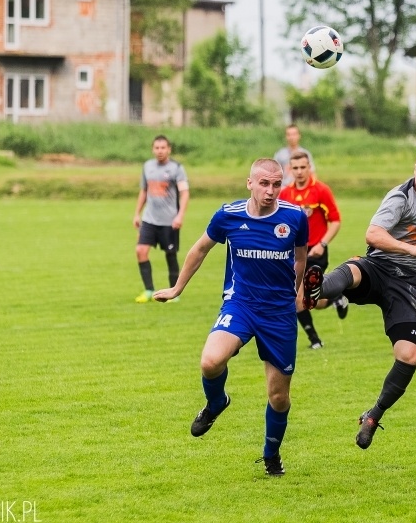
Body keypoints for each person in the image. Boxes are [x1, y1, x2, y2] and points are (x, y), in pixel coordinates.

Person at [153, 158, 309, 476]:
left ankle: (271, 453)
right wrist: (177, 288)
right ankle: (216, 404)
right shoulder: (229, 215)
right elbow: (199, 249)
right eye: (264, 183)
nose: (270, 190)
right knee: (210, 361)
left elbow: (301, 259)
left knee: (279, 397)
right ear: (249, 183)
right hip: (240, 305)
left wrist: (297, 294)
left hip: (279, 313)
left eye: (277, 184)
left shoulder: (295, 217)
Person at [302, 144, 416, 450]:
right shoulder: (399, 196)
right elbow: (373, 235)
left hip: (407, 283)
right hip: (379, 265)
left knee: (409, 355)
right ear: (415, 168)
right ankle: (318, 289)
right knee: (353, 270)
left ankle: (373, 415)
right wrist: (413, 249)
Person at [279, 151, 349, 349]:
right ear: (290, 170)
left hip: (316, 251)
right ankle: (336, 297)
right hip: (294, 252)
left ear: (309, 167)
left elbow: (335, 221)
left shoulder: (321, 190)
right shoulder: (285, 194)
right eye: (296, 168)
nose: (300, 172)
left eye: (303, 167)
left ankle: (315, 341)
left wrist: (323, 244)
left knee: (298, 298)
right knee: (311, 302)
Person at [132, 135, 190, 303]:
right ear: (153, 149)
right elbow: (144, 191)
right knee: (140, 251)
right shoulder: (147, 166)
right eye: (156, 148)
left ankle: (174, 293)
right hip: (149, 219)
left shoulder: (176, 168)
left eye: (163, 148)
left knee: (170, 255)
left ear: (169, 149)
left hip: (169, 220)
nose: (159, 151)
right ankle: (149, 290)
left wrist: (180, 215)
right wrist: (137, 213)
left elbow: (184, 192)